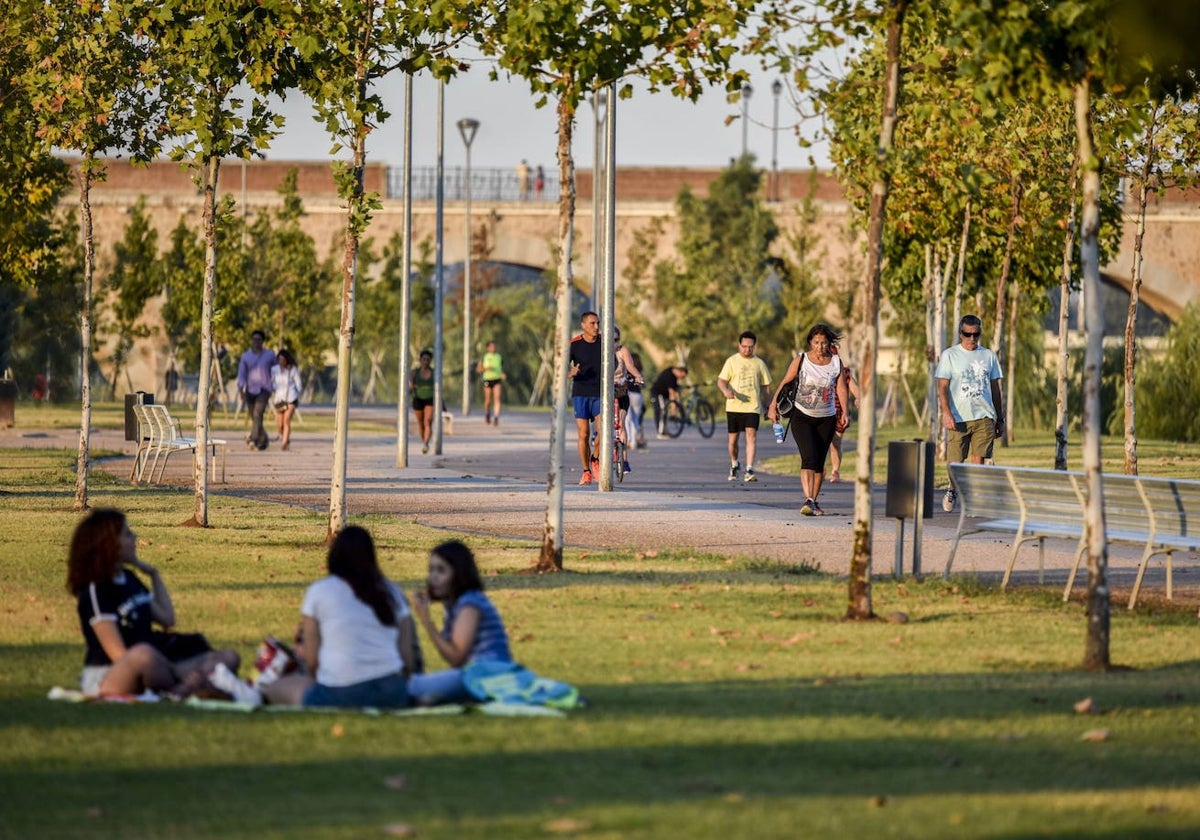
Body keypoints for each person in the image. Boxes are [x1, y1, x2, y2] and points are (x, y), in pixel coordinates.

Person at [67, 509, 240, 697]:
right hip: (109, 676)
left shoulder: (129, 578)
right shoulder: (96, 590)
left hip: (159, 666)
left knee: (227, 658)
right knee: (144, 654)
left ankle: (185, 687)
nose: (134, 537)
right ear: (109, 543)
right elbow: (119, 656)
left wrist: (154, 574)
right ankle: (189, 685)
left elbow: (167, 619)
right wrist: (176, 667)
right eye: (127, 534)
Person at [257, 526, 419, 709]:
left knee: (274, 688)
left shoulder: (319, 591)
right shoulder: (393, 593)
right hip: (392, 692)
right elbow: (408, 660)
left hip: (341, 693)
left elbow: (313, 663)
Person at [407, 540, 512, 706]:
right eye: (431, 569)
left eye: (441, 570)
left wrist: (426, 621)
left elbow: (456, 657)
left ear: (458, 573)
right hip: (477, 675)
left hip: (488, 676)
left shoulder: (469, 604)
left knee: (410, 685)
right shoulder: (456, 604)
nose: (433, 577)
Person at [767, 324, 849, 516]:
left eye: (824, 342)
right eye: (816, 342)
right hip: (801, 415)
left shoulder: (836, 362)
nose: (820, 346)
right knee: (809, 456)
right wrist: (772, 405)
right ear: (810, 342)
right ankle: (808, 499)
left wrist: (845, 411)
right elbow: (785, 381)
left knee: (819, 462)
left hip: (827, 417)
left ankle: (813, 500)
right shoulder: (801, 360)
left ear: (829, 343)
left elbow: (841, 388)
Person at [936, 314, 1004, 512]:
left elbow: (995, 389)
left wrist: (1000, 418)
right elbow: (942, 387)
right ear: (960, 334)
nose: (972, 338)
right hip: (958, 417)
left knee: (979, 459)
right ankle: (952, 488)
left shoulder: (989, 356)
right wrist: (946, 413)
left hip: (984, 415)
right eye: (968, 334)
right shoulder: (950, 355)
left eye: (976, 334)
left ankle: (972, 497)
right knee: (955, 462)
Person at [716, 330, 773, 483]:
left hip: (752, 407)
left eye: (750, 347)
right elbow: (721, 381)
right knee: (733, 441)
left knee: (751, 437)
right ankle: (734, 463)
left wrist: (769, 407)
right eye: (744, 346)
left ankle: (749, 468)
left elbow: (766, 387)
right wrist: (725, 390)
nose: (747, 349)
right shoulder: (731, 361)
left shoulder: (759, 363)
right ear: (739, 345)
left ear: (754, 346)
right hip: (734, 407)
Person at [568, 311, 603, 485]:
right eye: (592, 323)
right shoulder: (574, 344)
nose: (596, 327)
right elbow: (561, 370)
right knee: (584, 434)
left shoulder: (604, 342)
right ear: (583, 325)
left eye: (597, 323)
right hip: (581, 393)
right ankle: (586, 471)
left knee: (604, 431)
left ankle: (595, 458)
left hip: (600, 394)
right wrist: (571, 372)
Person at [237, 329, 276, 451]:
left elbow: (276, 372)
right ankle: (263, 440)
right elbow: (242, 374)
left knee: (258, 413)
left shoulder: (270, 355)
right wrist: (241, 391)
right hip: (250, 390)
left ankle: (253, 438)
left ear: (263, 341)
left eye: (259, 340)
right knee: (255, 417)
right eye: (254, 339)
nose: (256, 342)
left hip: (264, 389)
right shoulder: (246, 356)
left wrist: (275, 387)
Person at [612, 327, 644, 474]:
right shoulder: (600, 350)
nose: (613, 343)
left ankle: (624, 460)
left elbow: (630, 366)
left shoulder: (622, 350)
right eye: (610, 340)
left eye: (616, 340)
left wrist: (638, 377)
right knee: (600, 423)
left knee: (621, 424)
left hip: (620, 390)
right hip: (604, 393)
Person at [827, 347, 860, 483]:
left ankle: (835, 471)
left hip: (839, 410)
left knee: (836, 441)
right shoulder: (815, 369)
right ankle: (818, 469)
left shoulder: (843, 371)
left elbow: (852, 385)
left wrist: (858, 397)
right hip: (820, 410)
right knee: (821, 441)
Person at [270, 349, 302, 451]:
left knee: (286, 420)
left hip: (291, 398)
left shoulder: (292, 370)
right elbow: (272, 382)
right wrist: (274, 389)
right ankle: (284, 436)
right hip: (279, 399)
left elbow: (299, 384)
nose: (281, 362)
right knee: (280, 423)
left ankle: (284, 443)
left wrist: (296, 393)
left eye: (283, 359)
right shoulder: (274, 369)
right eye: (279, 359)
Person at [649, 364, 688, 439]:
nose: (682, 378)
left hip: (663, 395)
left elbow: (675, 391)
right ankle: (660, 433)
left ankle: (664, 430)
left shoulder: (672, 371)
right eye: (682, 376)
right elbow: (672, 394)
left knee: (664, 412)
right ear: (680, 371)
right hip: (658, 394)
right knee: (661, 412)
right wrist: (673, 409)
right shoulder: (670, 376)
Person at [409, 349, 435, 454]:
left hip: (430, 399)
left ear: (430, 361)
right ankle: (423, 439)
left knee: (427, 421)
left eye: (428, 360)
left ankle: (426, 443)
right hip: (418, 399)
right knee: (421, 423)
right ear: (420, 360)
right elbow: (410, 385)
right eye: (423, 359)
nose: (425, 362)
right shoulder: (415, 372)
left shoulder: (434, 373)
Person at [476, 340, 506, 426]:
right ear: (488, 348)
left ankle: (496, 417)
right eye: (491, 346)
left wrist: (503, 374)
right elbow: (478, 369)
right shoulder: (484, 357)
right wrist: (486, 369)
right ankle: (487, 413)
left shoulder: (499, 357)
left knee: (497, 397)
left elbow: (501, 368)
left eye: (494, 346)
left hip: (497, 379)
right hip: (488, 379)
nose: (493, 348)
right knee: (488, 399)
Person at [626, 351, 648, 450]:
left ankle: (629, 440)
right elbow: (644, 384)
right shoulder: (640, 370)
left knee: (627, 418)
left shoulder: (626, 368)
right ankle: (634, 441)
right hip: (637, 395)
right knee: (636, 419)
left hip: (628, 394)